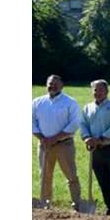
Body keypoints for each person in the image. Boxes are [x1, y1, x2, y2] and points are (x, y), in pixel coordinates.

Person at [32, 74, 82, 208]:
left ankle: (77, 204)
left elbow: (75, 123)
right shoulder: (37, 102)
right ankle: (45, 204)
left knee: (71, 175)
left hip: (64, 145)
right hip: (44, 145)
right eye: (50, 83)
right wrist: (42, 138)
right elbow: (31, 122)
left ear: (62, 86)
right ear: (46, 85)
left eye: (56, 84)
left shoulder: (70, 102)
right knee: (45, 177)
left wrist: (55, 138)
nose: (52, 86)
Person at [80, 79, 110, 216]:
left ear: (107, 91)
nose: (98, 92)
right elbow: (83, 124)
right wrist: (86, 137)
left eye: (101, 89)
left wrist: (101, 139)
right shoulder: (87, 108)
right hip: (95, 150)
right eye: (95, 90)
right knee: (103, 181)